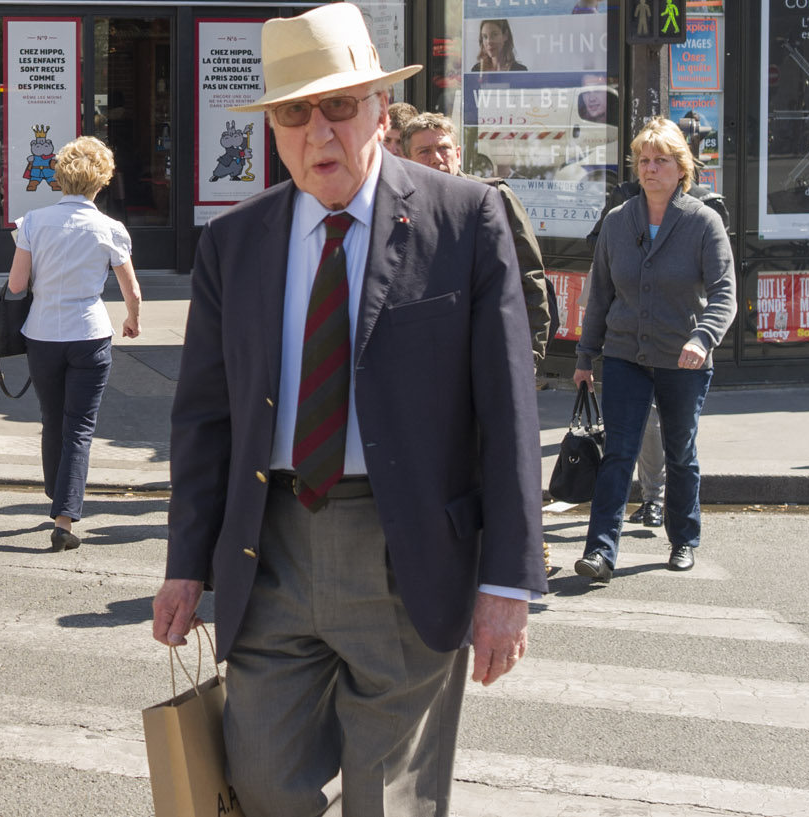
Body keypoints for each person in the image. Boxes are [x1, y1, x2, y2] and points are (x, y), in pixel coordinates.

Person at [151, 6, 544, 815]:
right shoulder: (235, 244)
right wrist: (185, 562)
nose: (318, 133)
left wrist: (509, 580)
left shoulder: (464, 220)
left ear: (379, 111)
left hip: (408, 558)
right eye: (295, 112)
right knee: (258, 776)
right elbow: (204, 419)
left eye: (339, 106)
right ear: (273, 126)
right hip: (275, 550)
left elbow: (508, 413)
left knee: (390, 799)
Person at [571, 117, 736, 581]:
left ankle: (683, 538)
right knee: (619, 453)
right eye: (643, 160)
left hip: (684, 359)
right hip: (626, 355)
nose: (650, 169)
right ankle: (600, 552)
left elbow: (725, 293)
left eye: (661, 160)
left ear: (681, 168)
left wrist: (702, 339)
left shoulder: (704, 223)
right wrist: (585, 357)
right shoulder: (618, 223)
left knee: (679, 451)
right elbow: (601, 294)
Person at [5, 136, 142, 552]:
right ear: (100, 182)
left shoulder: (33, 221)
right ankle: (64, 516)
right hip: (90, 331)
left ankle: (55, 492)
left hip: (43, 331)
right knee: (79, 426)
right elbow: (131, 289)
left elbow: (16, 284)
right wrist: (132, 320)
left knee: (52, 417)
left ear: (59, 178)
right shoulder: (110, 229)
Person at [399, 112, 552, 363]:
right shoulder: (399, 209)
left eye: (443, 148)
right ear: (407, 160)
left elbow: (529, 276)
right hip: (424, 358)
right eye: (424, 151)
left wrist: (530, 353)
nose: (436, 158)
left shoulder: (494, 198)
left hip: (489, 351)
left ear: (458, 154)